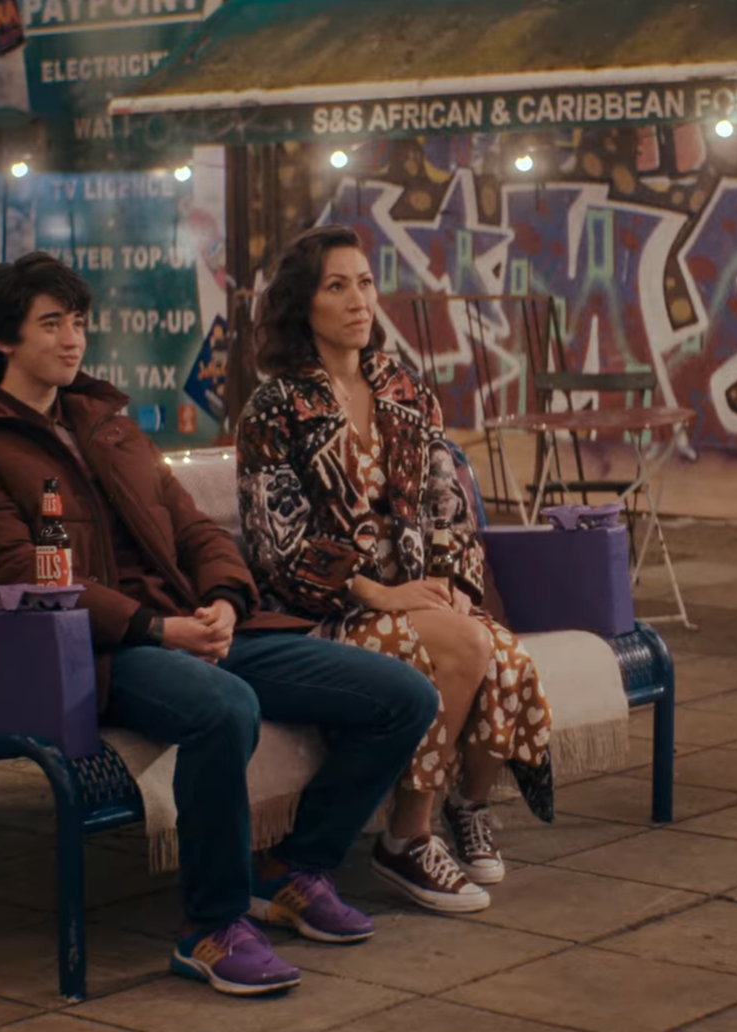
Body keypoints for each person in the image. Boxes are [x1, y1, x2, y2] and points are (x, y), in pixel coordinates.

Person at [0, 251, 439, 997]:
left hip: (194, 631)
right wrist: (155, 631)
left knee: (401, 694)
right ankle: (212, 926)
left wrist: (225, 601)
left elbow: (192, 525)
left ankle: (293, 870)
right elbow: (8, 569)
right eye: (50, 325)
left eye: (78, 323)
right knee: (221, 708)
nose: (72, 340)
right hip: (93, 651)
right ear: (3, 339)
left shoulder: (106, 424)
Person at [236, 225, 553, 916]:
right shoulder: (275, 406)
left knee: (501, 652)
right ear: (302, 304)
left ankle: (464, 807)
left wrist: (455, 585)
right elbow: (273, 541)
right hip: (325, 610)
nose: (358, 301)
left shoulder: (402, 386)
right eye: (336, 285)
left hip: (412, 590)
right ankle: (405, 837)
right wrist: (374, 589)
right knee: (466, 647)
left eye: (365, 283)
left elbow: (447, 502)